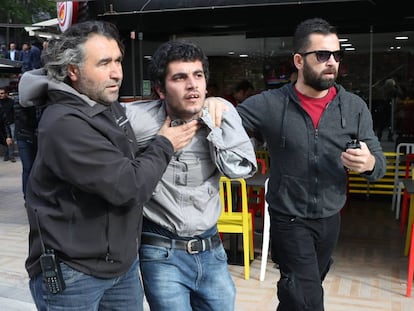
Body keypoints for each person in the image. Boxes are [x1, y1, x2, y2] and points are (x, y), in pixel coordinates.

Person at [18, 20, 199, 311]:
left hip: (121, 268)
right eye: (104, 63)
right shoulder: (64, 123)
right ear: (73, 71)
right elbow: (129, 186)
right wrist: (166, 143)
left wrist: (209, 104)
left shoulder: (102, 102)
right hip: (73, 273)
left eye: (117, 60)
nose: (116, 73)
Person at [209, 17, 387, 311]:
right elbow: (227, 120)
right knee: (309, 299)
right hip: (287, 217)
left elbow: (378, 165)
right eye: (322, 55)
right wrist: (216, 104)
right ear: (298, 60)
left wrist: (368, 163)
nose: (332, 62)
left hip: (330, 217)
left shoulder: (354, 106)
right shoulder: (271, 104)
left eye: (336, 55)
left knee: (299, 293)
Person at [123, 40, 257, 311]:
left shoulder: (221, 114)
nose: (192, 84)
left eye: (198, 75)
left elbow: (239, 170)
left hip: (212, 250)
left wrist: (217, 119)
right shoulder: (137, 121)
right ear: (160, 89)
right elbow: (91, 123)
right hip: (161, 252)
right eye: (180, 77)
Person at [0, 86, 16, 162]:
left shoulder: (11, 102)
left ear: (6, 93)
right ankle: (6, 155)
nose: (0, 95)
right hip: (2, 124)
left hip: (11, 122)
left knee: (11, 139)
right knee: (3, 139)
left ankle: (11, 156)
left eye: (2, 93)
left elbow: (15, 112)